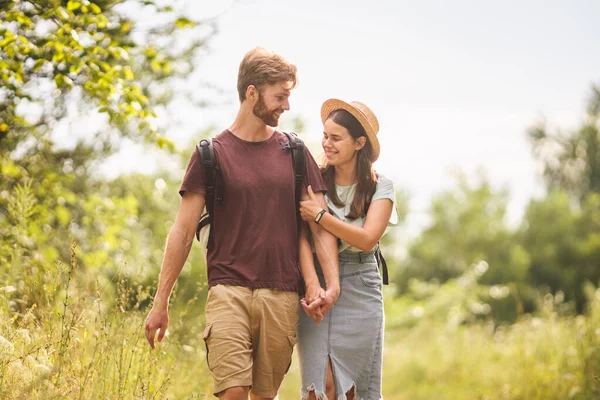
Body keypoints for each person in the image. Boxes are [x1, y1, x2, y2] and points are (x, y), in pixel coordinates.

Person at [144, 48, 340, 400]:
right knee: (233, 392)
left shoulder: (296, 153)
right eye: (280, 96)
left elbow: (319, 225)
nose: (287, 106)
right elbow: (183, 231)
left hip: (281, 293)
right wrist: (161, 303)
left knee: (264, 397)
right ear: (252, 92)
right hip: (227, 290)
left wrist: (332, 284)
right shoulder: (210, 155)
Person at [298, 99, 398, 400]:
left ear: (359, 143)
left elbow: (367, 239)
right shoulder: (313, 179)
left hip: (361, 283)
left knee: (353, 387)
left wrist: (320, 216)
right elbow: (301, 238)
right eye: (325, 136)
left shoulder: (381, 186)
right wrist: (312, 283)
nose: (326, 144)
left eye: (336, 138)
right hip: (315, 280)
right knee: (320, 384)